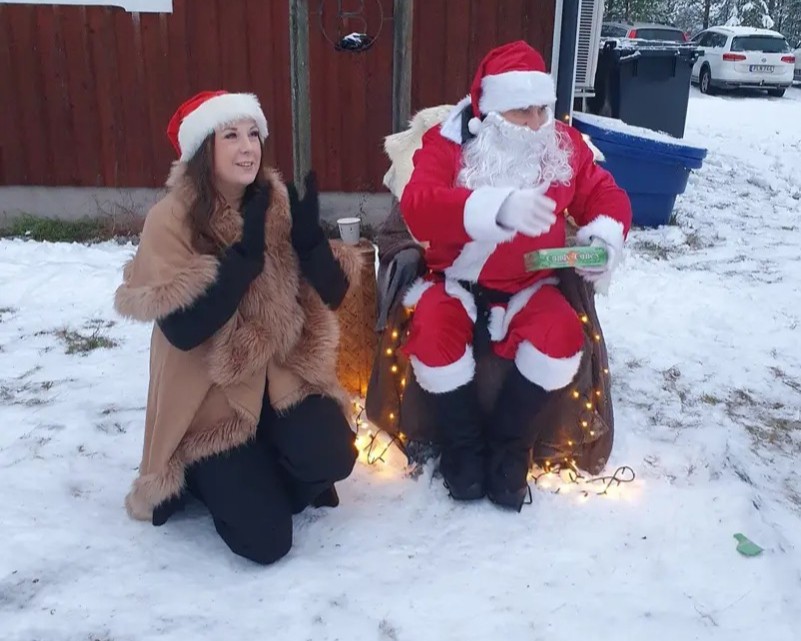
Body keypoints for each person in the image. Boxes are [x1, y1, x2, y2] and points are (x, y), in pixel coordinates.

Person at [114, 90, 363, 564]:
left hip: (277, 377)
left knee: (335, 454)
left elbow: (332, 294)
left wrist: (311, 245)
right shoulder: (170, 219)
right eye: (231, 135)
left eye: (253, 134)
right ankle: (205, 478)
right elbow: (184, 331)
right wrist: (241, 265)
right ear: (202, 148)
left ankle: (260, 469)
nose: (248, 147)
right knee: (268, 541)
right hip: (212, 399)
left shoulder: (275, 202)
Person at [399, 41, 633, 511]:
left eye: (542, 109)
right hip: (458, 283)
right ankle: (464, 448)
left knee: (563, 337)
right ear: (490, 113)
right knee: (432, 336)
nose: (535, 123)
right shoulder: (448, 144)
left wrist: (603, 238)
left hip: (530, 286)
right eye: (521, 111)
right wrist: (495, 208)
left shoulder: (561, 145)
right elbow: (417, 206)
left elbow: (604, 194)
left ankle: (511, 446)